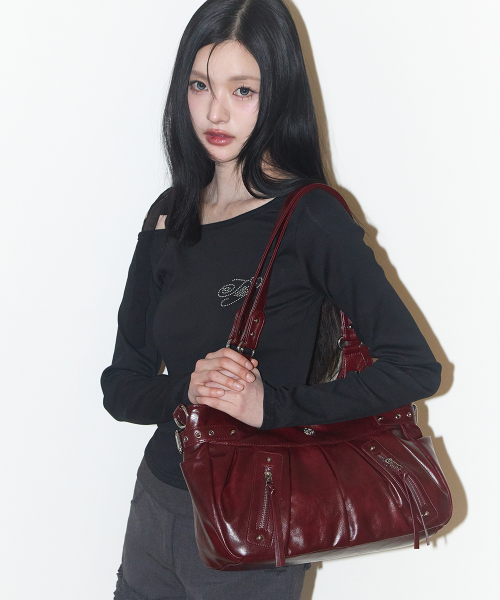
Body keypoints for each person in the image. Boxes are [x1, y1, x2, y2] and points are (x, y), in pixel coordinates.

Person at [101, 0, 442, 598]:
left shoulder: (310, 218)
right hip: (156, 508)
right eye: (200, 85)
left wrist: (272, 407)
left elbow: (415, 368)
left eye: (243, 90)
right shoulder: (168, 217)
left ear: (278, 94)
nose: (216, 111)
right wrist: (189, 391)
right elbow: (120, 387)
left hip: (257, 531)